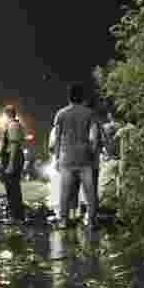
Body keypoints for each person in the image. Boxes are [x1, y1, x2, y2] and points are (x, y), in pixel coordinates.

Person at [52, 83, 100, 229]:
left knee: (65, 191)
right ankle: (91, 221)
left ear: (69, 97)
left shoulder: (61, 114)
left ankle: (63, 220)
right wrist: (91, 153)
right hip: (85, 158)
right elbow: (94, 137)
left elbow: (56, 138)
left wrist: (57, 158)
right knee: (89, 191)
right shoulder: (90, 113)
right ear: (82, 97)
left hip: (66, 158)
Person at [0, 105, 27, 222]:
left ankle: (16, 216)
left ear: (6, 115)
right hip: (12, 157)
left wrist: (10, 163)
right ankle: (16, 214)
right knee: (12, 187)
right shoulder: (15, 125)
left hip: (12, 157)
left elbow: (14, 144)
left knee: (12, 188)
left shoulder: (13, 125)